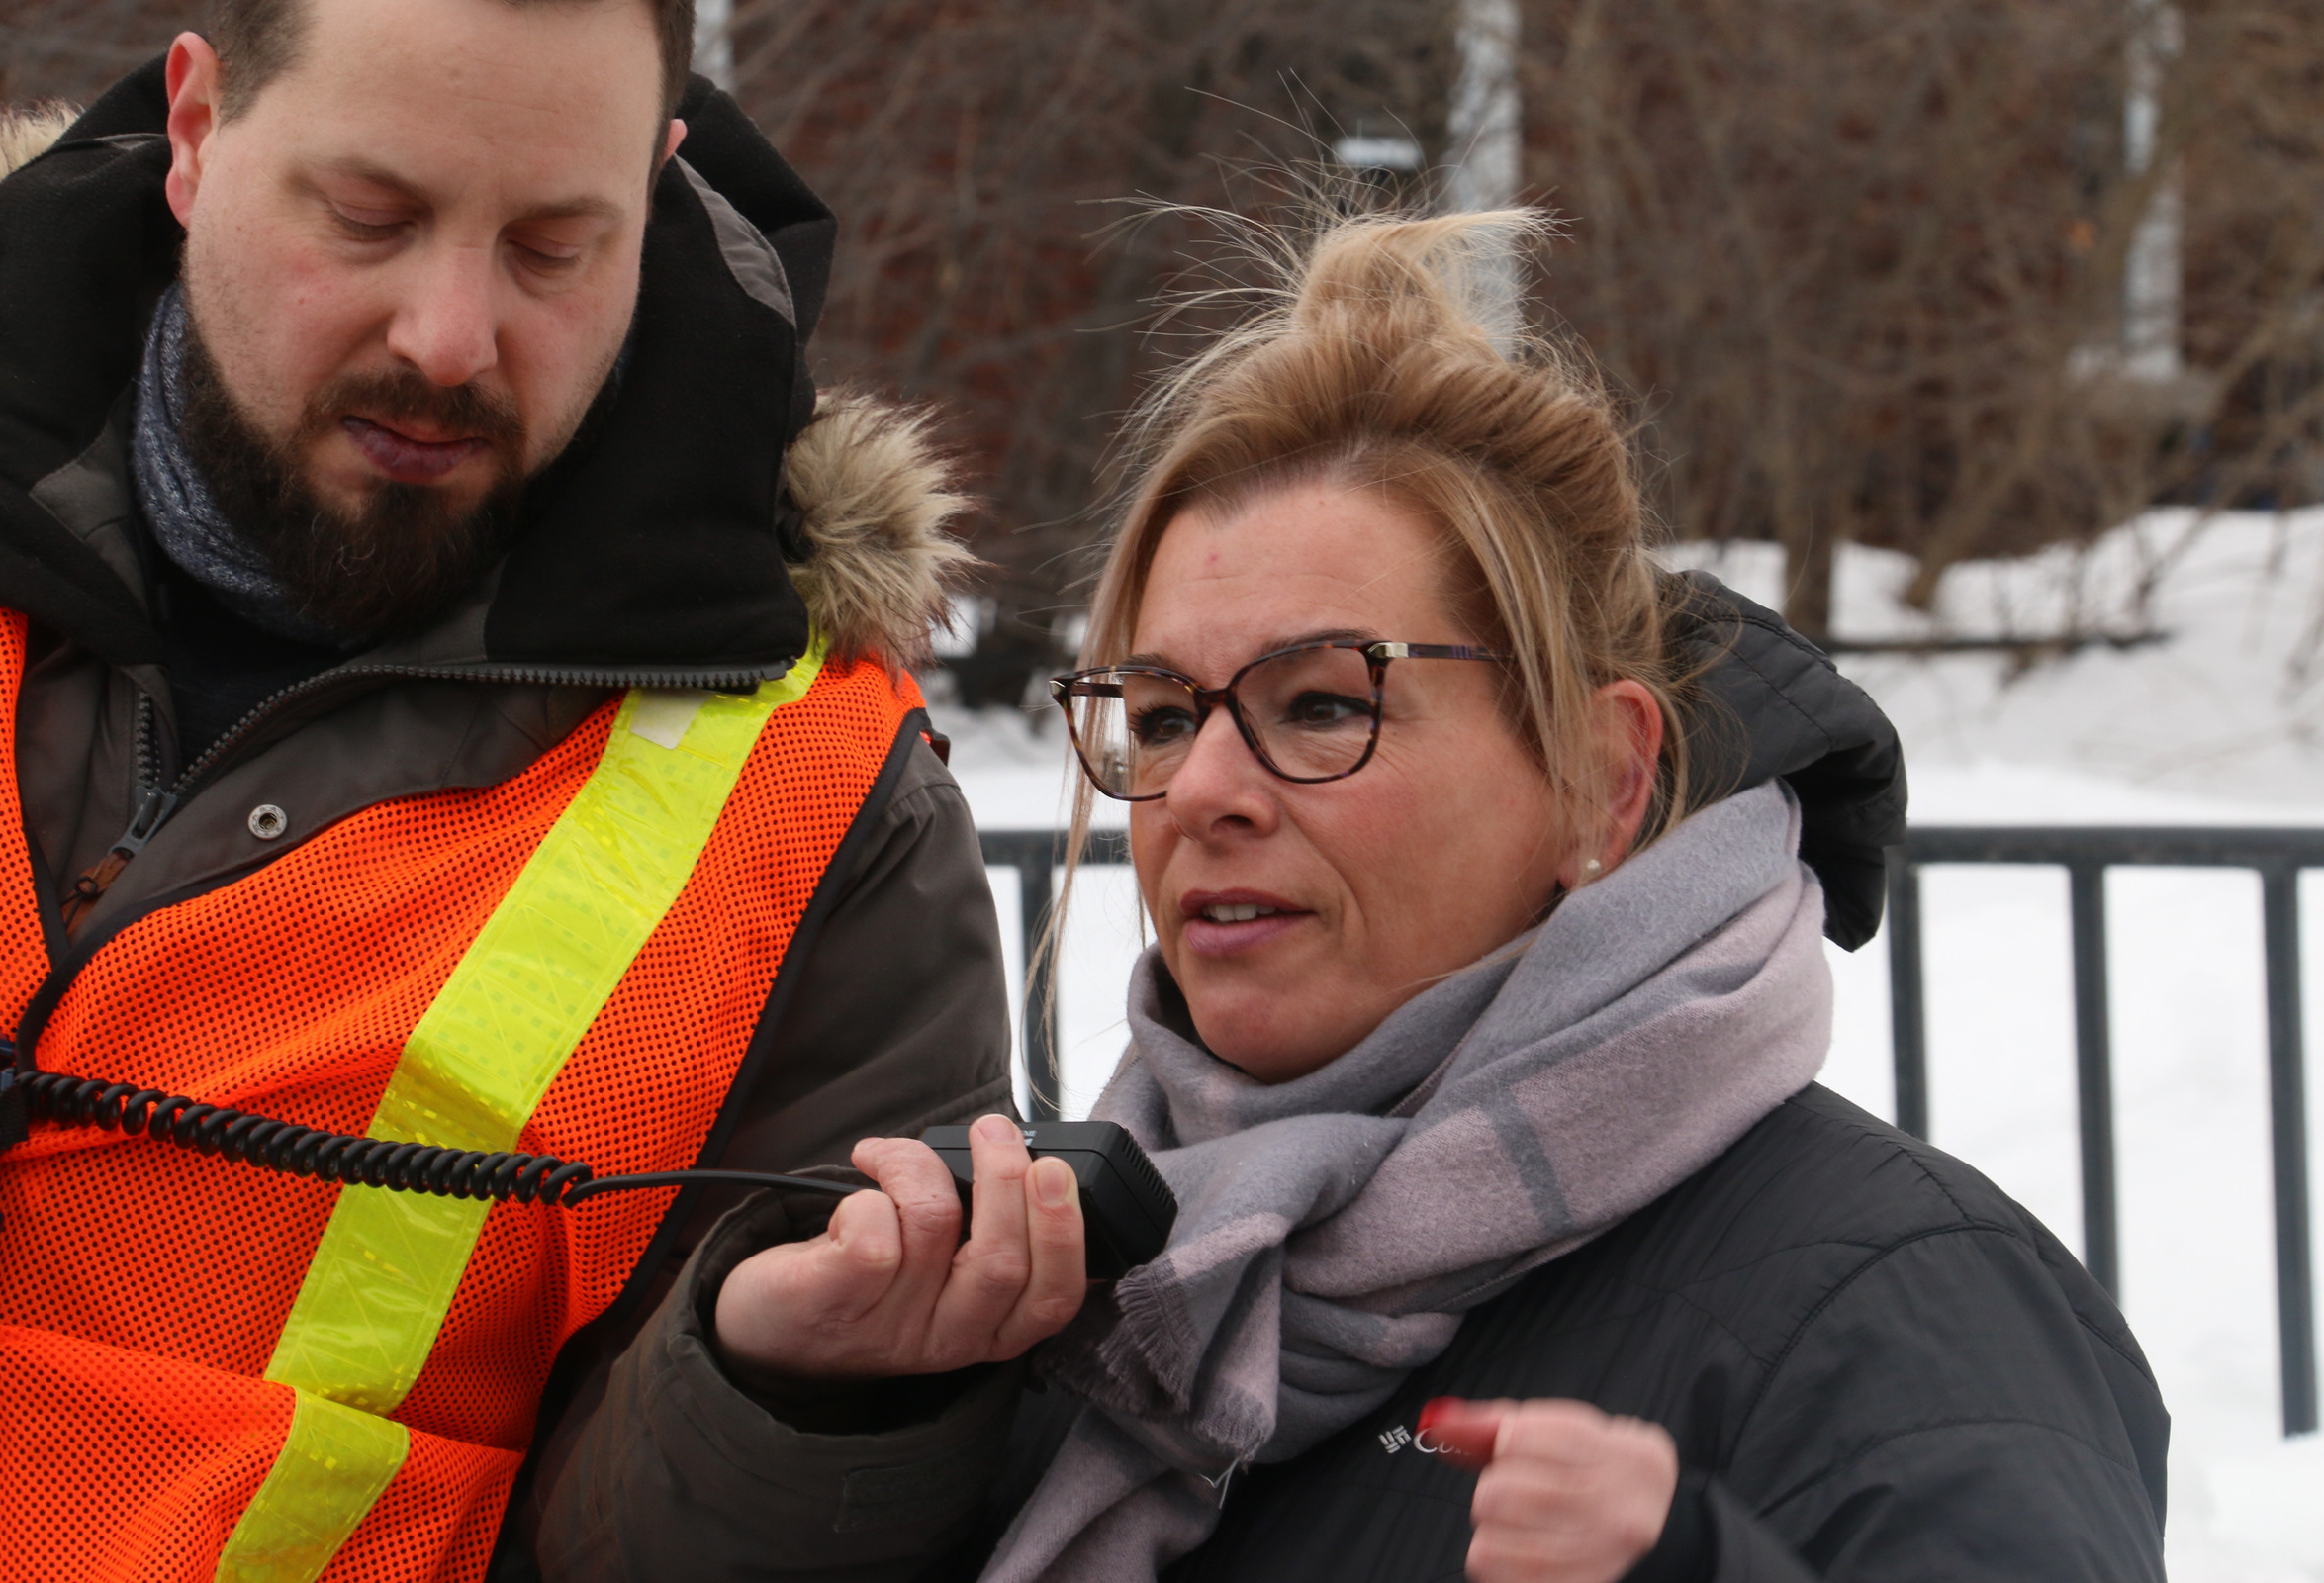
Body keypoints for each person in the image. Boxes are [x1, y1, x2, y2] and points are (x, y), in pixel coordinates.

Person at [552, 213, 2171, 1582]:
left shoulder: (1897, 1300)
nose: (1203, 791)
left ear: (1605, 781)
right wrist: (798, 1403)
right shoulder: (1086, 1276)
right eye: (1166, 714)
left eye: (1326, 704)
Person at [0, 1, 1034, 1576]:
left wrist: (783, 1406)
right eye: (372, 218)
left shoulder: (817, 810)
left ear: (655, 198)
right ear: (196, 131)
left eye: (552, 250)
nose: (449, 341)